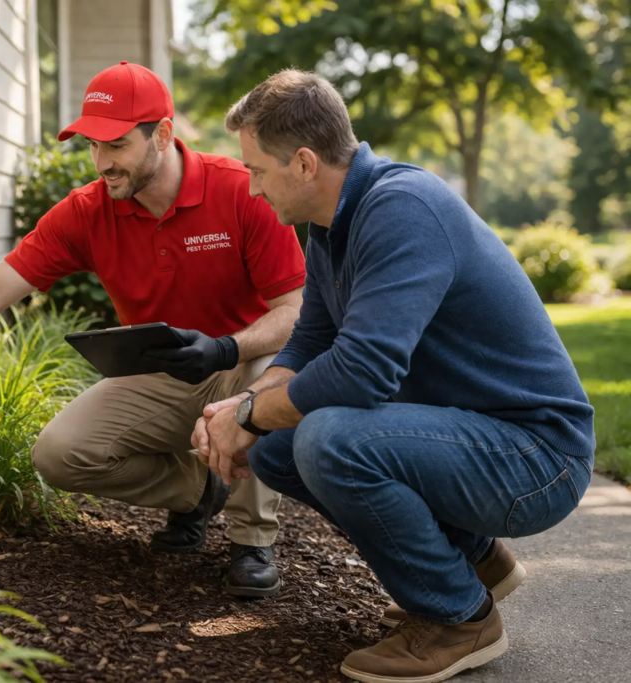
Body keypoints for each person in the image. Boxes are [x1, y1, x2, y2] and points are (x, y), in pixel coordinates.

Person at [0, 62, 308, 597]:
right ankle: (195, 492)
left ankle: (251, 539)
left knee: (274, 369)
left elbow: (296, 311)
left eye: (116, 145)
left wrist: (224, 347)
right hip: (165, 371)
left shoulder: (239, 191)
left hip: (241, 362)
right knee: (59, 453)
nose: (102, 163)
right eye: (92, 146)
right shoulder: (88, 212)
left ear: (162, 134)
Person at [193, 69, 595, 682]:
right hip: (471, 437)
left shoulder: (400, 208)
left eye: (256, 170)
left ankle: (460, 618)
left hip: (539, 458)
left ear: (304, 163)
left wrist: (246, 416)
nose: (250, 190)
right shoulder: (332, 226)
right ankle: (474, 558)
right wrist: (242, 406)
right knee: (279, 451)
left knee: (329, 441)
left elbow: (363, 372)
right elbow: (311, 339)